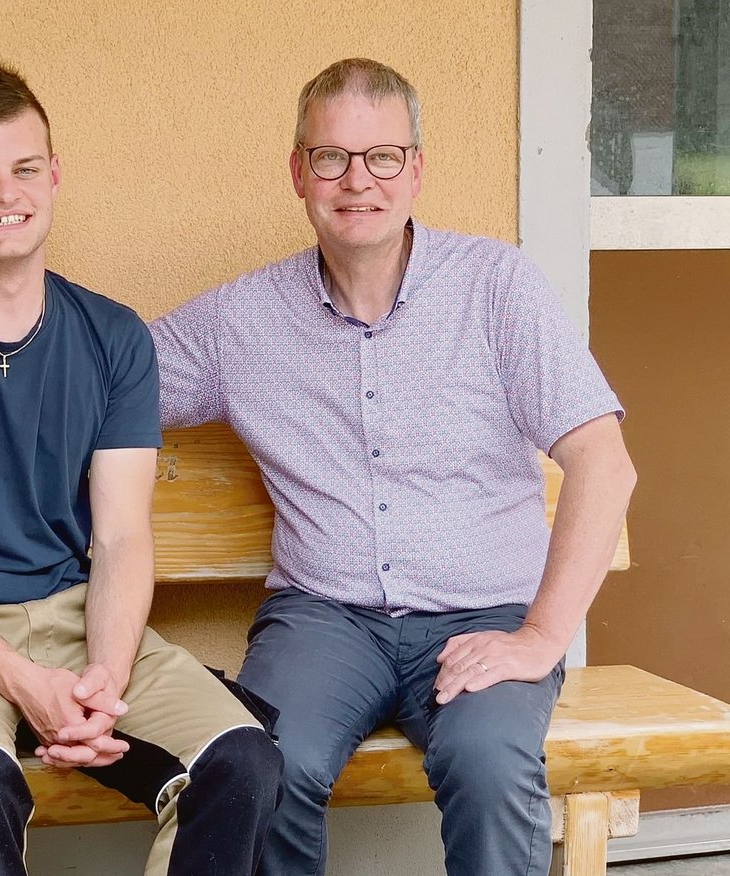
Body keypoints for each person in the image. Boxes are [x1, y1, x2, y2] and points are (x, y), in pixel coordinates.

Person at [150, 58, 637, 875]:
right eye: (332, 156)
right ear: (299, 172)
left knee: (488, 767)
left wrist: (540, 637)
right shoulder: (242, 319)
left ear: (416, 170)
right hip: (325, 622)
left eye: (382, 157)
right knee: (265, 764)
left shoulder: (496, 286)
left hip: (481, 617)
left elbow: (605, 465)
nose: (357, 180)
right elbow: (102, 378)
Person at [0, 57, 282, 876]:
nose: (6, 194)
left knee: (242, 764)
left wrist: (101, 676)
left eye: (25, 169)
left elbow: (123, 539)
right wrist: (23, 681)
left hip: (76, 617)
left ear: (55, 176)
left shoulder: (112, 336)